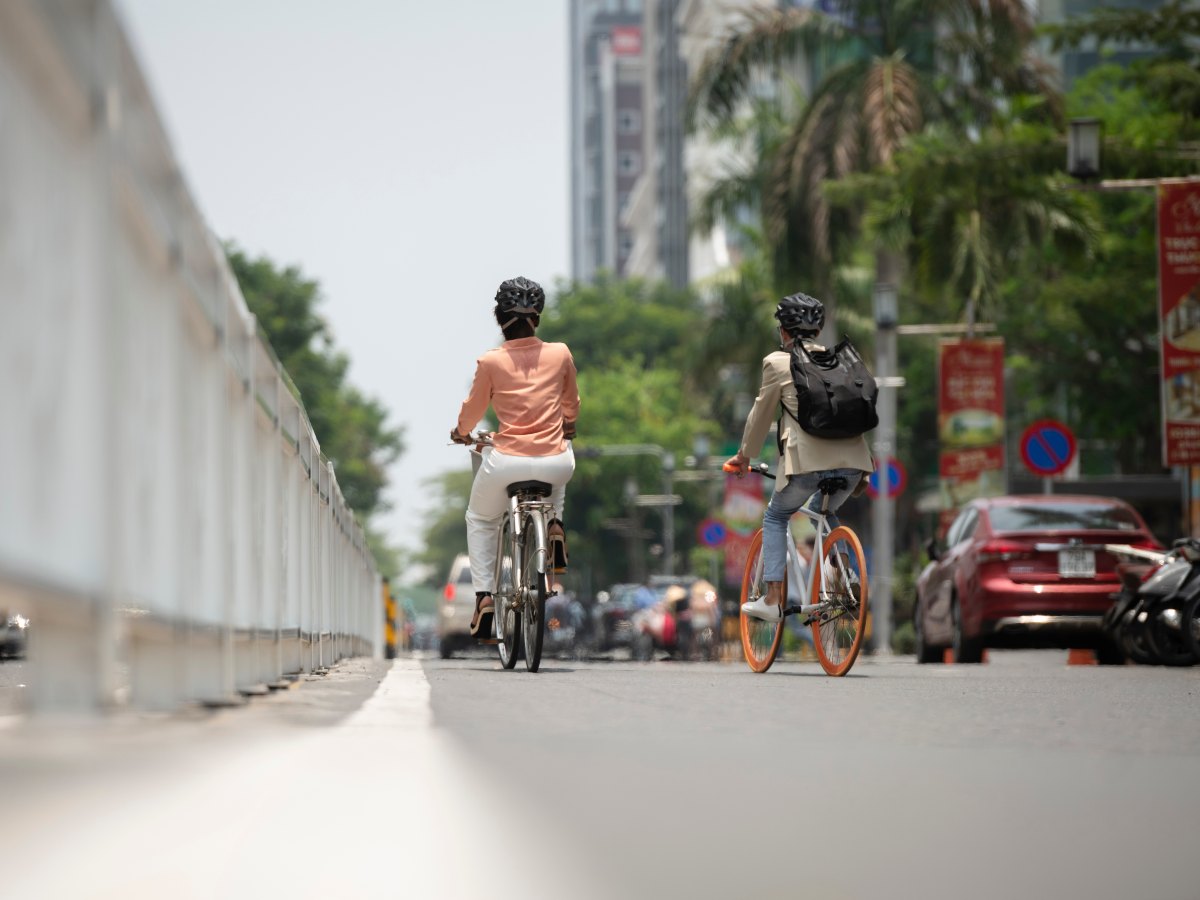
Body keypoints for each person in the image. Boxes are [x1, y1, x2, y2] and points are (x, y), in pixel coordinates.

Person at [723, 292, 874, 621]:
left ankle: (774, 597)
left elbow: (760, 417)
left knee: (776, 517)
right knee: (827, 513)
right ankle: (848, 577)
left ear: (784, 332)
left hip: (806, 465)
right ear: (817, 331)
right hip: (854, 464)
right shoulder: (843, 361)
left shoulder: (777, 363)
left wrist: (744, 457)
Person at [451, 276, 580, 637]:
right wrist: (568, 424)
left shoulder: (490, 361)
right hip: (555, 460)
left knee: (479, 518)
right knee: (559, 466)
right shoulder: (561, 353)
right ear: (537, 317)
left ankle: (484, 599)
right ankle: (554, 525)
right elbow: (571, 404)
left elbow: (472, 411)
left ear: (499, 318)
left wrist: (462, 432)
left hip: (506, 462)